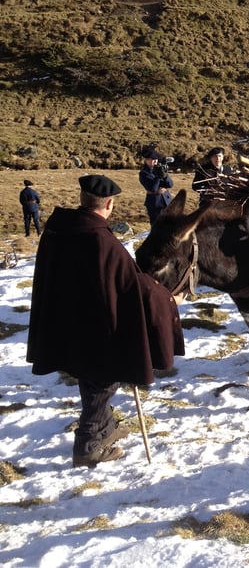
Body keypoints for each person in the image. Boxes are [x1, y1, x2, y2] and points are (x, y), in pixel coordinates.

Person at [26, 174, 184, 467]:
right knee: (104, 379)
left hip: (68, 317)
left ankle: (105, 428)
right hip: (97, 323)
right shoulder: (101, 239)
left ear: (83, 200)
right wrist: (168, 299)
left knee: (90, 373)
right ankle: (88, 445)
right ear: (109, 204)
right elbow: (134, 284)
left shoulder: (60, 228)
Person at [139, 144, 174, 224]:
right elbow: (152, 188)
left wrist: (165, 176)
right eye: (152, 159)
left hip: (166, 200)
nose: (155, 161)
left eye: (156, 159)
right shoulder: (144, 173)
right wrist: (158, 176)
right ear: (146, 160)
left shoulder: (160, 168)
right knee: (156, 225)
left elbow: (170, 184)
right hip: (155, 203)